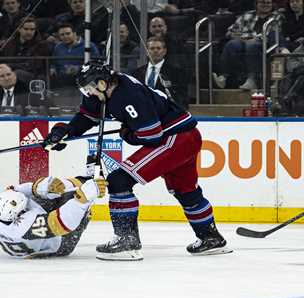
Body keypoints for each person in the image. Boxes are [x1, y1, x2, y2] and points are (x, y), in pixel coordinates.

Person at [41, 61, 232, 261]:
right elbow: (87, 116)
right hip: (184, 136)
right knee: (184, 190)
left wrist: (126, 133)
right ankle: (211, 238)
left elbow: (151, 136)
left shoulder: (129, 96)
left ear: (103, 83)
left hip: (176, 139)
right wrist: (63, 132)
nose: (88, 93)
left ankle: (127, 241)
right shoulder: (103, 90)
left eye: (89, 88)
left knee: (119, 180)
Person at [0, 171, 107, 258]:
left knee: (56, 188)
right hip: (60, 243)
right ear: (20, 214)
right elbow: (62, 223)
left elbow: (17, 190)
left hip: (27, 239)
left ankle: (86, 180)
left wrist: (38, 187)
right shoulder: (23, 227)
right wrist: (82, 199)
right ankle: (91, 185)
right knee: (74, 199)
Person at [212, 0, 283, 90]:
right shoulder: (247, 15)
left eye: (268, 3)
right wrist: (237, 36)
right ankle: (223, 77)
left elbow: (273, 34)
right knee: (231, 44)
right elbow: (230, 31)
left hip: (263, 44)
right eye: (262, 2)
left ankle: (252, 80)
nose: (266, 5)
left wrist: (254, 39)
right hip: (243, 40)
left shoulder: (277, 17)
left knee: (252, 45)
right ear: (256, 4)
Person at [132, 37, 188, 109]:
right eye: (152, 48)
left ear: (164, 51)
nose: (155, 51)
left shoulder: (176, 72)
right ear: (147, 52)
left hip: (167, 114)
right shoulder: (136, 73)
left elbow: (182, 98)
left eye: (158, 48)